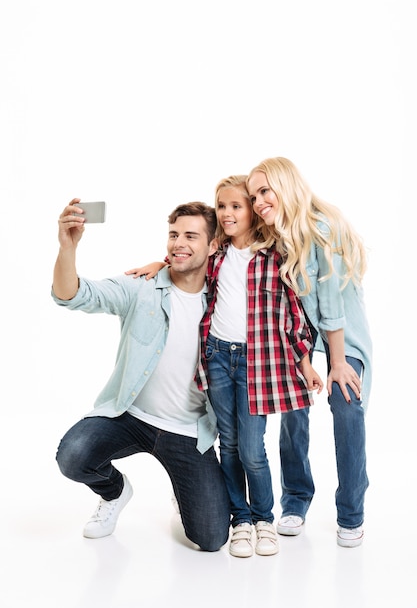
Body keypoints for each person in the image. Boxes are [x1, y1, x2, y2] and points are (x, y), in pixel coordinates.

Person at [126, 175, 323, 558]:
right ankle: (241, 520)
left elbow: (294, 317)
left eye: (237, 206)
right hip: (217, 357)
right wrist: (159, 262)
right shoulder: (216, 254)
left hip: (256, 363)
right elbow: (185, 260)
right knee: (228, 445)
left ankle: (263, 518)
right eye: (222, 206)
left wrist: (305, 363)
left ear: (252, 211)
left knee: (252, 448)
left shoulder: (275, 256)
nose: (229, 213)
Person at [52, 198, 231, 552]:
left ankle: (183, 491)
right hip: (129, 416)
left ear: (213, 245)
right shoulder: (141, 286)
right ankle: (114, 492)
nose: (179, 243)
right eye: (174, 234)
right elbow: (71, 295)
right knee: (73, 455)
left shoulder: (225, 299)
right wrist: (67, 247)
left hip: (188, 433)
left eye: (191, 236)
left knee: (211, 539)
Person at [246, 156, 373, 548]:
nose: (258, 202)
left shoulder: (323, 229)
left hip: (342, 337)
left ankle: (351, 513)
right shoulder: (274, 236)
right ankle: (296, 499)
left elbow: (332, 306)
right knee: (293, 409)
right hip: (300, 338)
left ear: (286, 186)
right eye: (253, 196)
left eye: (265, 191)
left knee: (347, 403)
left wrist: (336, 363)